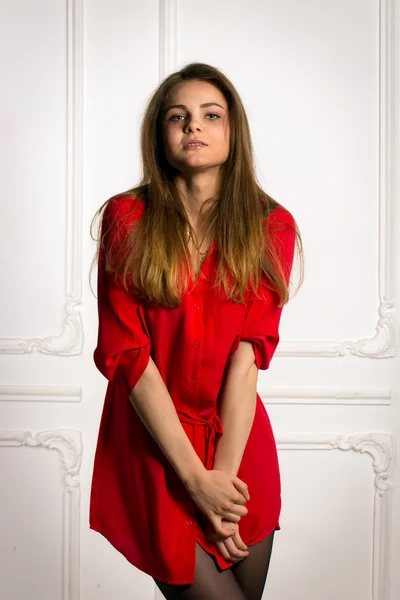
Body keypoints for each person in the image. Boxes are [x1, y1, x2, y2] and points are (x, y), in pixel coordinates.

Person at [89, 62, 303, 600]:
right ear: (160, 135)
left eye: (211, 115)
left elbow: (247, 357)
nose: (193, 127)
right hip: (158, 449)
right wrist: (195, 482)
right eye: (177, 117)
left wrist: (223, 489)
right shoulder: (126, 220)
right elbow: (130, 358)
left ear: (233, 132)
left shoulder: (271, 225)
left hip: (237, 446)